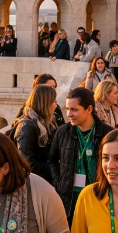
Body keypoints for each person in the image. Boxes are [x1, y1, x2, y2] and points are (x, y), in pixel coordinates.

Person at [47, 87, 113, 224]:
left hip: (98, 197)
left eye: (74, 109)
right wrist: (58, 182)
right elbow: (51, 159)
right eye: (67, 109)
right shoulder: (62, 132)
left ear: (89, 109)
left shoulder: (108, 134)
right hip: (69, 198)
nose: (69, 114)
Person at [13, 84, 58, 184]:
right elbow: (27, 164)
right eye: (54, 102)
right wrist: (56, 168)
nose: (56, 105)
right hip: (33, 185)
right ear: (45, 103)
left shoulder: (47, 123)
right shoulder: (26, 127)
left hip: (43, 181)